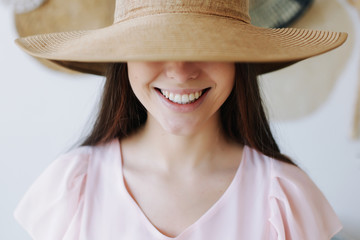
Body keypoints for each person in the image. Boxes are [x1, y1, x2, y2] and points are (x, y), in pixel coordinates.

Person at [13, 0, 347, 239]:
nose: (180, 71)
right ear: (123, 58)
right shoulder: (72, 189)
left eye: (207, 45)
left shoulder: (284, 198)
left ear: (238, 59)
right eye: (152, 45)